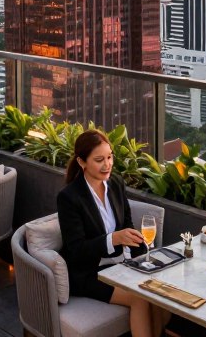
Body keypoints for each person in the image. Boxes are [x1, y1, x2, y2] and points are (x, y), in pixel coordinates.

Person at [58, 130, 169, 337]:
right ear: (82, 162)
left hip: (120, 264)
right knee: (140, 298)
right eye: (99, 159)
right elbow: (76, 250)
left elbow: (127, 223)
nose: (107, 164)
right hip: (89, 273)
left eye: (110, 157)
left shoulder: (116, 183)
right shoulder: (69, 197)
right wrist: (114, 238)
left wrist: (141, 254)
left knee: (161, 295)